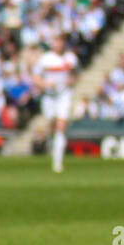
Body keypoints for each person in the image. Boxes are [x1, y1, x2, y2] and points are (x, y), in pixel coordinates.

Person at [35, 34, 78, 173]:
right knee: (52, 125)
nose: (59, 45)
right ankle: (50, 144)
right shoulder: (45, 59)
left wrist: (72, 80)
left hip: (64, 95)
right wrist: (46, 84)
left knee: (61, 125)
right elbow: (35, 77)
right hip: (49, 96)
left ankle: (58, 162)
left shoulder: (71, 58)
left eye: (61, 42)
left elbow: (76, 74)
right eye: (56, 42)